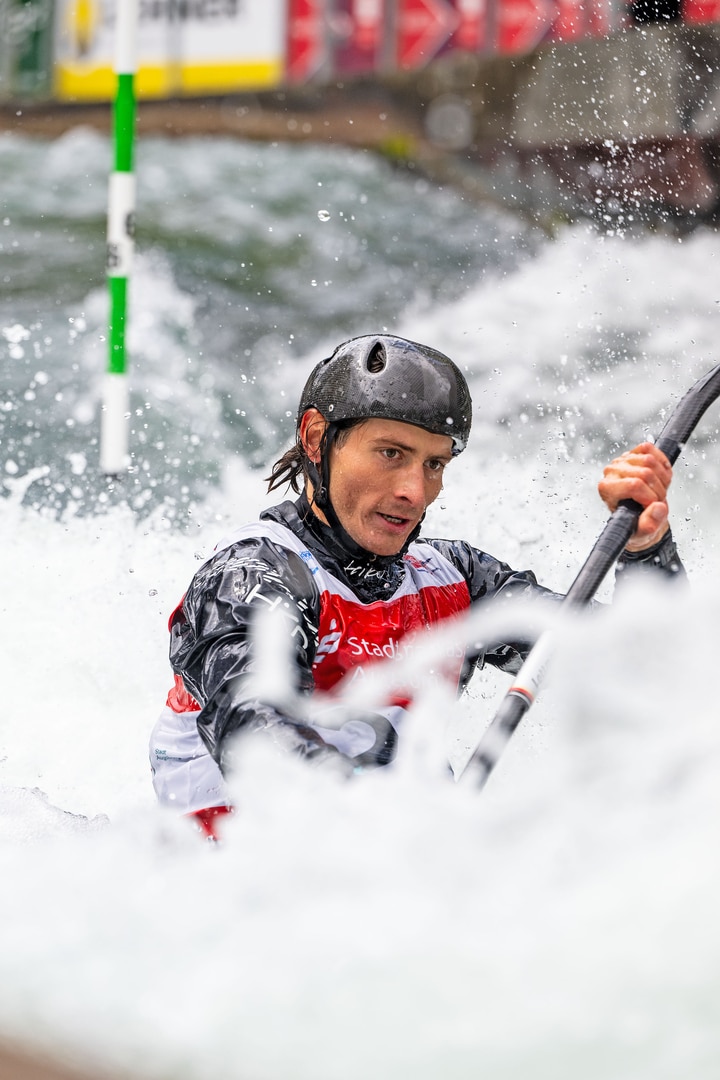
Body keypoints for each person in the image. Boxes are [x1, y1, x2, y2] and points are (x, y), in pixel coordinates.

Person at [150, 334, 684, 838]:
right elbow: (254, 735)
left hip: (401, 885)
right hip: (239, 893)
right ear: (317, 437)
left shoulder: (456, 582)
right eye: (391, 453)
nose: (413, 490)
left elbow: (646, 670)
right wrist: (386, 819)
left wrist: (646, 546)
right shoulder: (252, 577)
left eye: (434, 464)